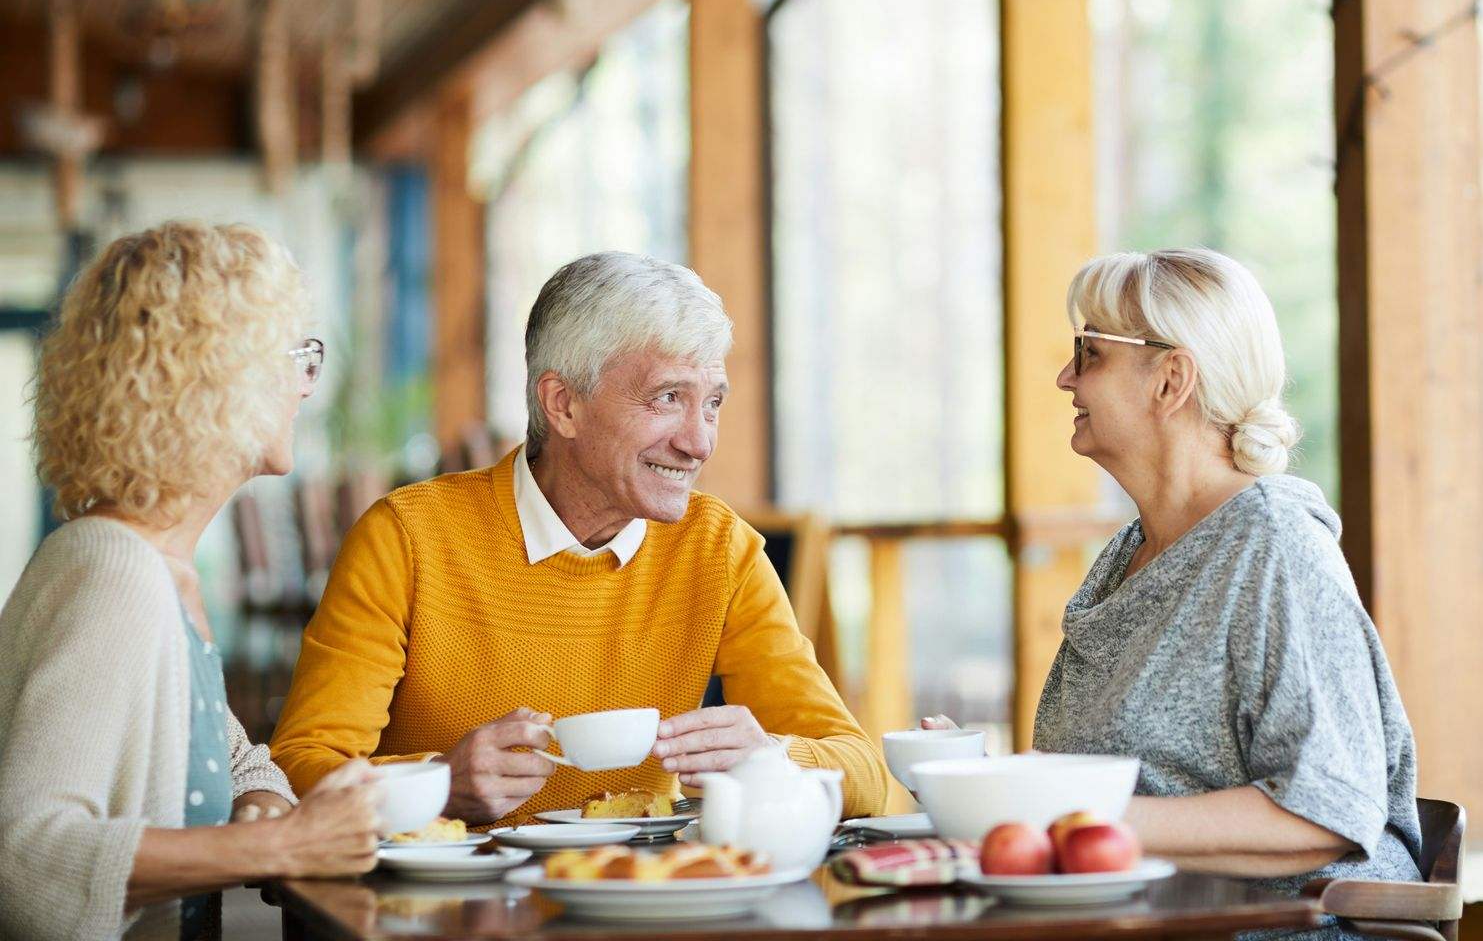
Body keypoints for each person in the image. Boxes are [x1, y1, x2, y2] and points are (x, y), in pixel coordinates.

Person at [271, 251, 887, 823]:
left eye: (713, 404)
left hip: (642, 900)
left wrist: (773, 758)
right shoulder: (407, 539)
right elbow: (296, 770)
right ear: (562, 404)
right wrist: (439, 782)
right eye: (668, 398)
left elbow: (864, 773)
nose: (698, 442)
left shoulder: (720, 549)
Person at [0, 222, 381, 941]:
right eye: (295, 356)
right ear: (217, 378)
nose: (308, 384)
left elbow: (234, 758)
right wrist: (283, 845)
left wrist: (265, 803)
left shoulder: (159, 569)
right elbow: (25, 857)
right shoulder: (114, 576)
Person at [1028, 248, 1420, 902]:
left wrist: (1080, 820)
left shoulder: (1275, 544)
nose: (1066, 377)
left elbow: (1324, 808)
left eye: (1089, 353)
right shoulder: (1128, 555)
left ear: (1169, 380)